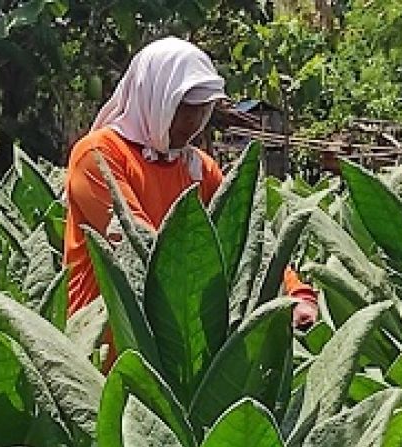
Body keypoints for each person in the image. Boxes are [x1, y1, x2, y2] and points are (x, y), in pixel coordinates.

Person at [63, 37, 318, 330]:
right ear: (154, 97)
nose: (194, 121)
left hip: (176, 339)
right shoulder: (98, 155)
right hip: (102, 341)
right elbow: (137, 246)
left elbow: (248, 238)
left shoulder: (197, 166)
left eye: (203, 108)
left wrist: (295, 293)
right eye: (184, 107)